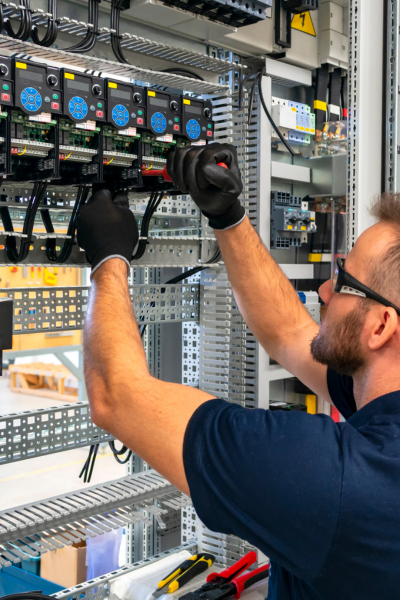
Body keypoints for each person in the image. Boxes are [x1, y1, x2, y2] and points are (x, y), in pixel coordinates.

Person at [77, 144, 400, 600]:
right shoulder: (384, 407)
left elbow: (115, 395)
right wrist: (227, 216)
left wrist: (108, 259)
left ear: (382, 326)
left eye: (344, 280)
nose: (326, 289)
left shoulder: (343, 483)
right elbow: (289, 332)